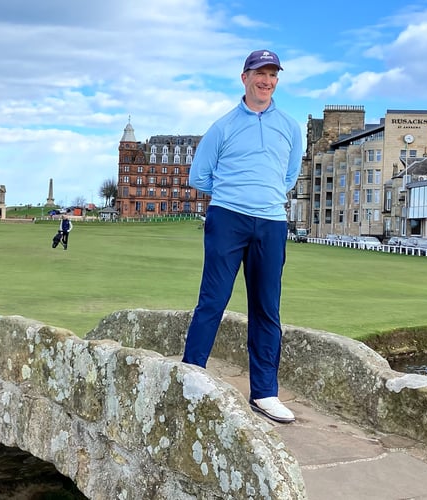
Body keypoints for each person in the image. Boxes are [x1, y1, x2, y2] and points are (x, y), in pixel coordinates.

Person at [182, 49, 303, 424]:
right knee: (212, 301)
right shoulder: (223, 126)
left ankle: (265, 393)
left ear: (276, 81)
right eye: (259, 74)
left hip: (270, 222)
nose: (266, 81)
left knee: (267, 309)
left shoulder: (290, 126)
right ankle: (190, 377)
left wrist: (260, 195)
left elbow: (289, 176)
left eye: (272, 75)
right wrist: (235, 190)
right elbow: (198, 177)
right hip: (228, 219)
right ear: (244, 77)